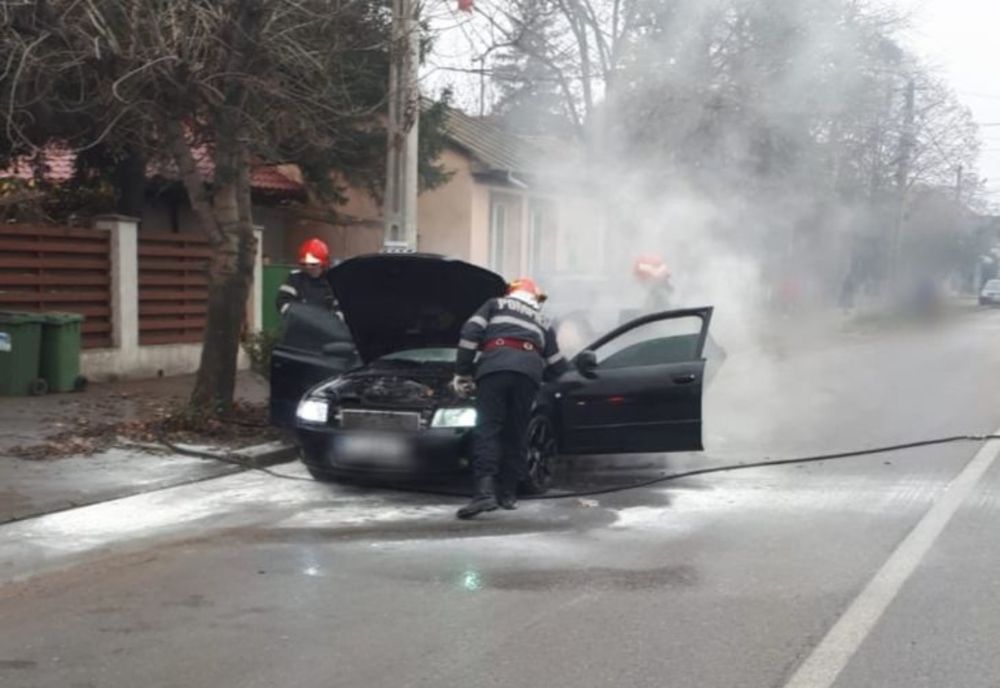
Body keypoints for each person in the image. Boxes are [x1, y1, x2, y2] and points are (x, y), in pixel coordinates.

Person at [452, 277, 569, 519]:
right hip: (528, 376)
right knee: (516, 432)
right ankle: (508, 494)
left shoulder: (495, 304)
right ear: (533, 296)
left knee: (488, 429)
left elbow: (470, 331)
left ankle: (484, 494)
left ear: (511, 293)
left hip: (495, 369)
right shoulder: (543, 320)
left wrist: (463, 371)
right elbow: (557, 364)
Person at [276, 238, 339, 315]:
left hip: (325, 324)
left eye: (313, 264)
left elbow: (341, 308)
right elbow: (281, 302)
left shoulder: (333, 281)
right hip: (299, 324)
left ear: (323, 264)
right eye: (304, 264)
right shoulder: (295, 279)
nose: (308, 267)